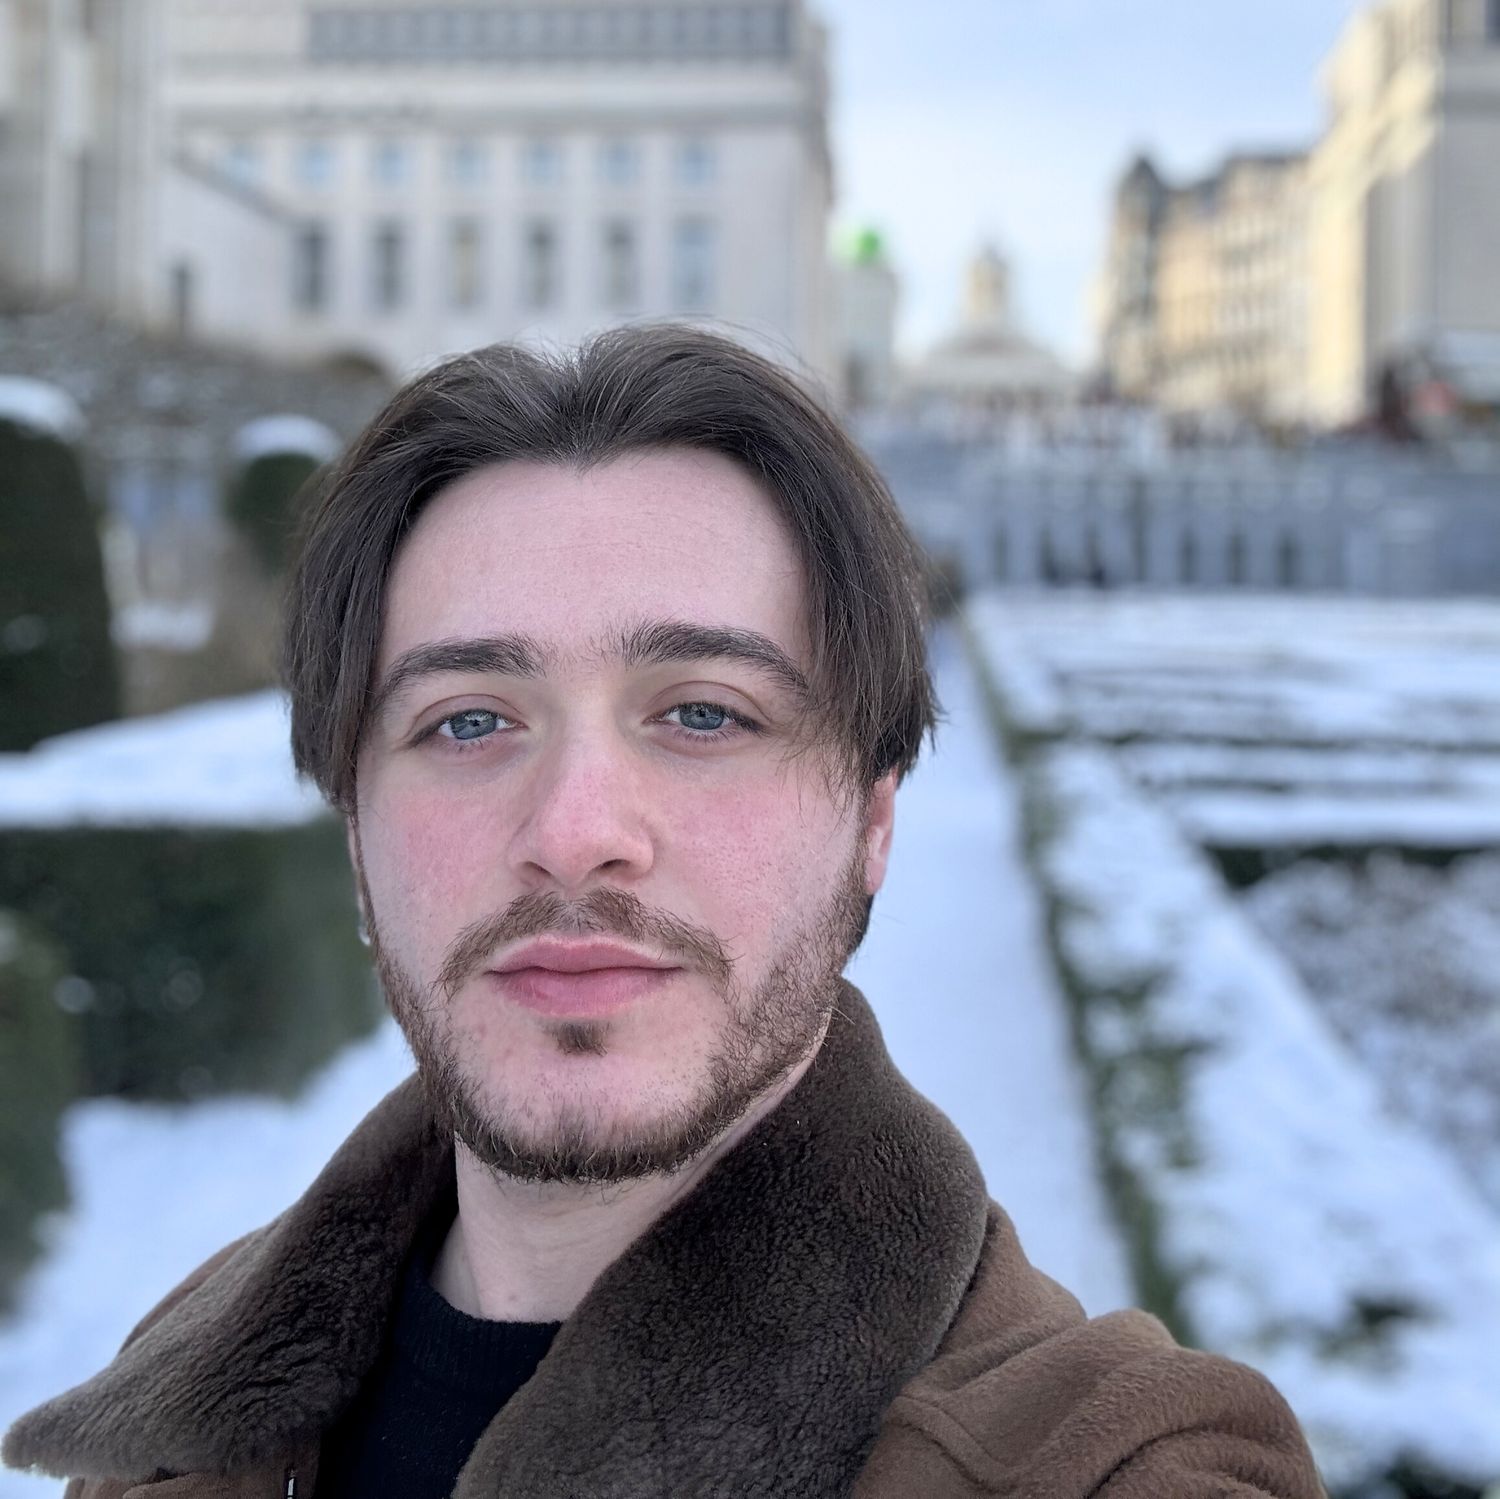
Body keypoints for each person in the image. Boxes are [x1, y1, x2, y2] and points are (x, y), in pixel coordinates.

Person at [4, 327, 1324, 1498]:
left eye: (703, 713)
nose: (576, 830)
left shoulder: (1107, 1465)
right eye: (468, 721)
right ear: (356, 839)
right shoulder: (182, 1407)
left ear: (871, 822)